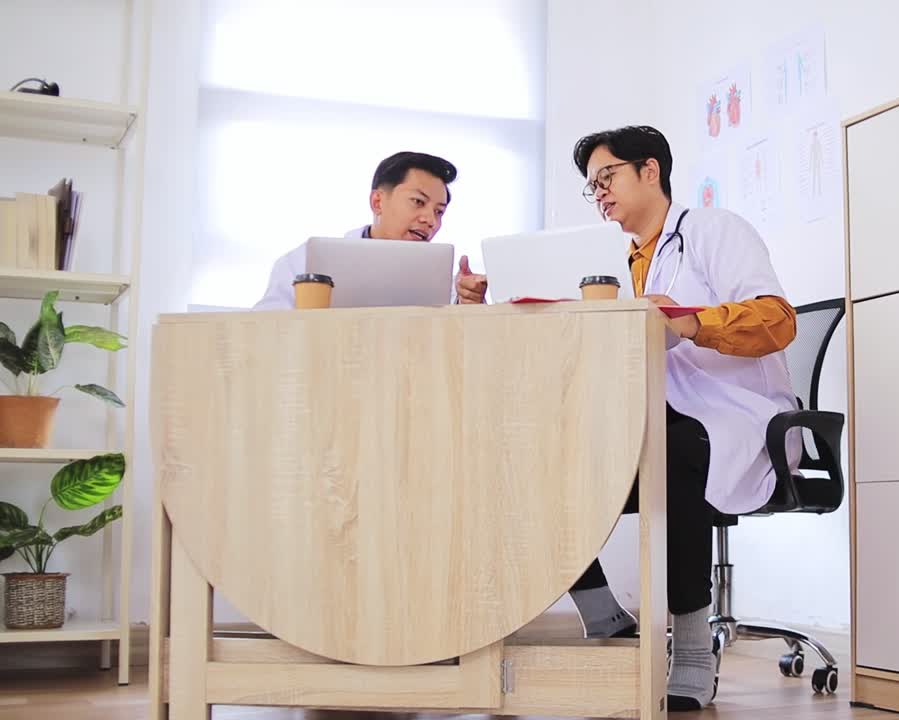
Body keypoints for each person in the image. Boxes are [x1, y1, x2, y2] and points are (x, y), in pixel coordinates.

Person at [456, 125, 801, 711]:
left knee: (674, 447)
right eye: (592, 187)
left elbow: (777, 318)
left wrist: (692, 323)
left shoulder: (714, 231)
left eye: (607, 177)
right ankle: (605, 616)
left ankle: (692, 647)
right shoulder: (609, 265)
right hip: (647, 416)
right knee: (530, 456)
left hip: (739, 419)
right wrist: (499, 298)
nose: (601, 194)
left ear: (650, 170)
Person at [252, 151, 457, 310]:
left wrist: (466, 303)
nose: (431, 220)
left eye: (439, 212)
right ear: (377, 202)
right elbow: (267, 324)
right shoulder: (307, 260)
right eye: (418, 201)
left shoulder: (442, 280)